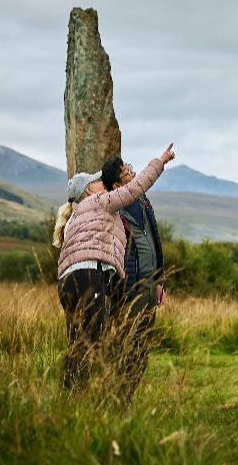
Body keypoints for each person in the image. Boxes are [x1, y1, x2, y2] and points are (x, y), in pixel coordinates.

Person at [52, 143, 175, 388]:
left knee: (83, 339)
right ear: (89, 190)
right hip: (97, 278)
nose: (102, 185)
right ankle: (81, 398)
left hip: (69, 281)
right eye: (98, 182)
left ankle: (75, 398)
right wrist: (161, 160)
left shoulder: (78, 216)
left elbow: (153, 239)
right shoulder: (102, 203)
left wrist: (159, 279)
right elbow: (138, 185)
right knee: (93, 342)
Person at [100, 156, 166, 391]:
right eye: (127, 173)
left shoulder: (143, 200)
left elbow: (155, 241)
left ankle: (128, 394)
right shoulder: (113, 209)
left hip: (149, 286)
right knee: (125, 343)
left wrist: (159, 280)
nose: (133, 173)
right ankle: (116, 394)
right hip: (129, 289)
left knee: (143, 344)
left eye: (130, 168)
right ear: (117, 186)